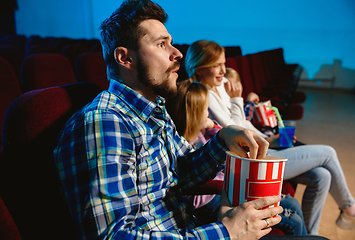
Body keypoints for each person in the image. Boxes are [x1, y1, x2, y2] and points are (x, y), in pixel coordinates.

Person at [53, 1, 285, 239]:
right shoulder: (105, 123)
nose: (177, 54)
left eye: (171, 43)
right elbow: (112, 235)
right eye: (161, 44)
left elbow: (182, 172)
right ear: (125, 58)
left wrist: (223, 140)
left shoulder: (154, 108)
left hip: (187, 228)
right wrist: (227, 233)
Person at [184, 40, 355, 235]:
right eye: (216, 65)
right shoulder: (201, 95)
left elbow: (244, 122)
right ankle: (350, 209)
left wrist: (267, 138)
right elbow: (236, 131)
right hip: (251, 159)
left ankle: (310, 235)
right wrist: (236, 99)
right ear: (199, 69)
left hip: (262, 145)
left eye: (224, 64)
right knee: (328, 153)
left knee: (322, 176)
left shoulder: (222, 85)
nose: (223, 71)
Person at [166, 79, 308, 235]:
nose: (209, 114)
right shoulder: (185, 145)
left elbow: (223, 137)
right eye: (206, 109)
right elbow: (190, 195)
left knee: (292, 203)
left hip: (233, 188)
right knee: (294, 220)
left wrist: (213, 125)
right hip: (214, 201)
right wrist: (226, 188)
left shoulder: (201, 134)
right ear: (195, 115)